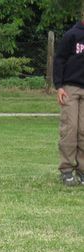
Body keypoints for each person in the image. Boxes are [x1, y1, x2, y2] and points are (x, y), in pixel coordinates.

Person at [53, 20, 84, 186]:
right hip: (70, 88)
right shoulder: (72, 35)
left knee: (83, 130)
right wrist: (59, 86)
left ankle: (82, 171)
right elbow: (59, 60)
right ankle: (66, 170)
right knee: (70, 129)